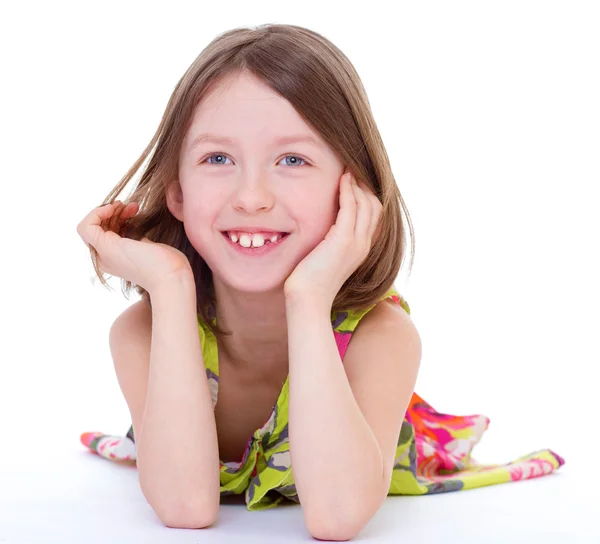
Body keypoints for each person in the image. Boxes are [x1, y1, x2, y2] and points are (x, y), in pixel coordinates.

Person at [76, 23, 564, 539]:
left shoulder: (381, 337)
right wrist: (171, 285)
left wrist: (309, 300)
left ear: (353, 190)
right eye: (217, 158)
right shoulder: (145, 333)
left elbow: (336, 517)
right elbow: (184, 508)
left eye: (292, 159)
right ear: (177, 192)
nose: (252, 197)